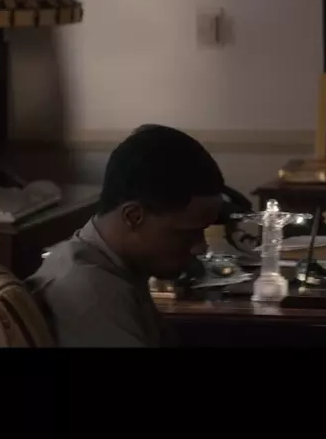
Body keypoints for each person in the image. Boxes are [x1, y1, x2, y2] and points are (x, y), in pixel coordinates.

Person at [26, 125, 225, 347]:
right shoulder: (91, 294)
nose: (201, 247)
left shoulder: (116, 268)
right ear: (133, 216)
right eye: (188, 234)